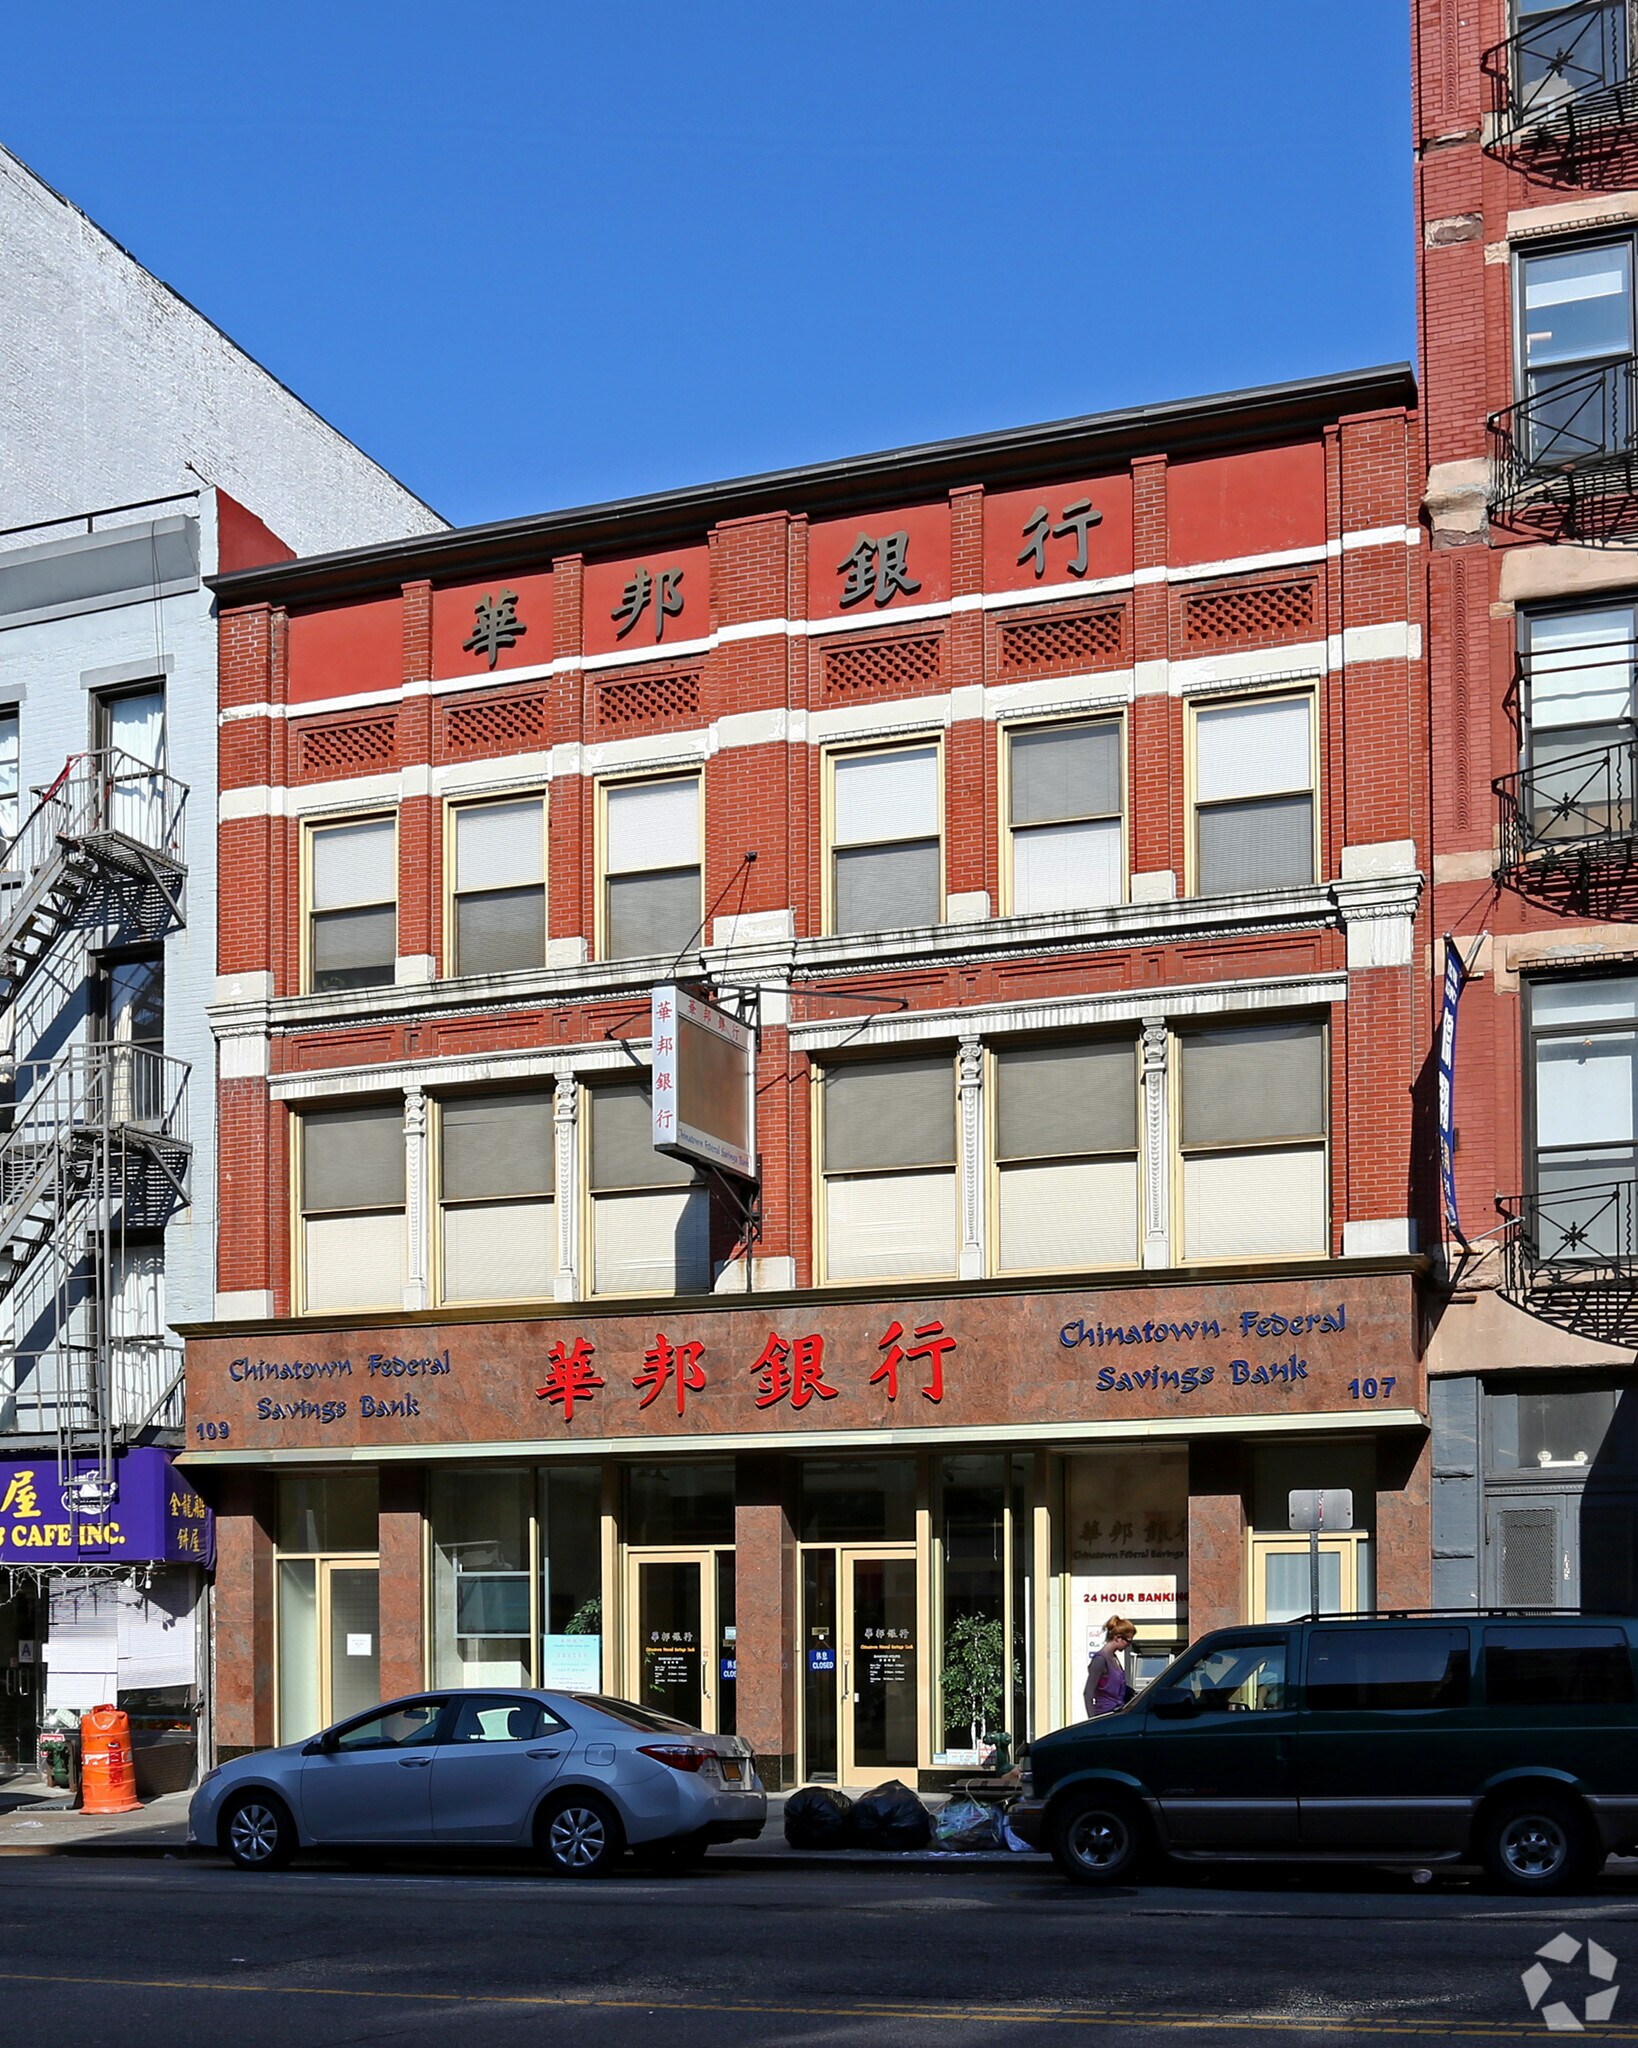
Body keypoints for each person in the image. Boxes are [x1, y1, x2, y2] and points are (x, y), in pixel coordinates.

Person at [1084, 1613, 1137, 1717]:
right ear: (1118, 1638)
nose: (1129, 1645)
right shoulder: (1100, 1660)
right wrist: (1092, 1721)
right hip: (1104, 1715)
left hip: (1117, 1714)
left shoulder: (1114, 1658)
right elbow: (1088, 1693)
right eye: (1128, 1641)